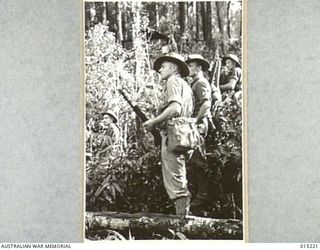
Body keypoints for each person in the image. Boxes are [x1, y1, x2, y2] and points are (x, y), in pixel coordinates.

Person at [143, 52, 194, 217]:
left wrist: (154, 122)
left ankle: (182, 221)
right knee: (178, 174)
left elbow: (175, 108)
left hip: (173, 133)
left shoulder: (173, 81)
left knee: (175, 178)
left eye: (163, 66)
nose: (160, 70)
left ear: (173, 68)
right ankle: (183, 217)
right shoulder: (184, 84)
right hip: (184, 134)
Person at [186, 54, 212, 207]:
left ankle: (203, 195)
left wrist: (196, 121)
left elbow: (206, 104)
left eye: (191, 66)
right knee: (192, 160)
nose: (188, 69)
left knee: (198, 160)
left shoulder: (201, 83)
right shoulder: (195, 83)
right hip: (194, 124)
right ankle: (197, 193)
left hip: (199, 125)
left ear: (199, 67)